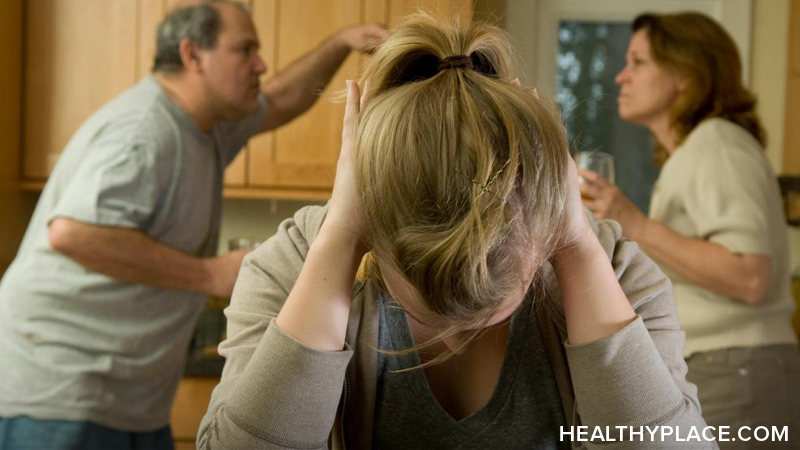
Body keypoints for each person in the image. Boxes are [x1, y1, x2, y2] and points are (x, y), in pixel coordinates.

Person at [197, 14, 713, 450]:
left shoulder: (615, 269)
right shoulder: (294, 262)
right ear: (373, 227)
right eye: (427, 291)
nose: (457, 325)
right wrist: (340, 234)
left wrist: (577, 246)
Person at [0, 1, 386, 448]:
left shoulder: (205, 127)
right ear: (192, 55)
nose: (260, 64)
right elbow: (72, 232)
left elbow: (281, 99)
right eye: (245, 50)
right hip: (59, 393)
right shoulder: (146, 128)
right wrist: (210, 274)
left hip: (122, 399)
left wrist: (341, 42)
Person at [580, 11, 800, 448]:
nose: (621, 76)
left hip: (737, 371)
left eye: (638, 62)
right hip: (729, 367)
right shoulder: (697, 152)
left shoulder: (717, 144)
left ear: (684, 74)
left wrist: (635, 222)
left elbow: (751, 277)